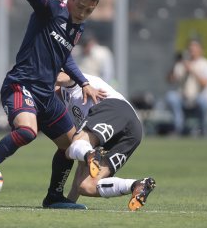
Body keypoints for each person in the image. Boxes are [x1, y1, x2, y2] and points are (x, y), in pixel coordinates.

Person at [0, 0, 105, 209]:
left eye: (89, 11)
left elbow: (64, 57)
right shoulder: (51, 8)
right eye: (80, 6)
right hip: (21, 85)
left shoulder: (78, 26)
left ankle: (53, 198)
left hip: (46, 95)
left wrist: (83, 82)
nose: (82, 13)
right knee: (28, 131)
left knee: (72, 148)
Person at [55, 72, 156, 211]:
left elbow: (61, 77)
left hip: (115, 108)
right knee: (86, 186)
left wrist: (39, 82)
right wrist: (69, 202)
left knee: (70, 149)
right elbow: (84, 162)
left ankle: (89, 152)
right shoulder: (68, 109)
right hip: (133, 131)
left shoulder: (69, 80)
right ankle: (137, 185)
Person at [165, 40, 207, 136]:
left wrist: (192, 70)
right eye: (190, 49)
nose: (192, 52)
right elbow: (170, 80)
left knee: (203, 101)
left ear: (201, 50)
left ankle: (203, 130)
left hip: (200, 99)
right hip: (184, 99)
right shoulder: (183, 64)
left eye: (194, 49)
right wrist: (176, 64)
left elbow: (206, 84)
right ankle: (178, 128)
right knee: (171, 96)